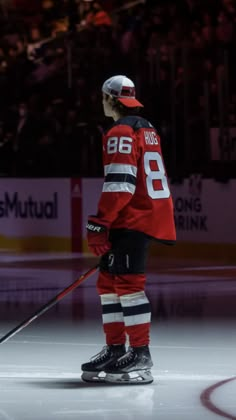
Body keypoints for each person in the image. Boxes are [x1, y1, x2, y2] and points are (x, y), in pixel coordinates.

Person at [81, 75, 176, 385]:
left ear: (110, 99)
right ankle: (114, 348)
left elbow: (121, 183)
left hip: (133, 217)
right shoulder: (145, 127)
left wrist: (100, 222)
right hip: (141, 213)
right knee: (108, 282)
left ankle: (140, 353)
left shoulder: (120, 130)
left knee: (129, 284)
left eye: (102, 98)